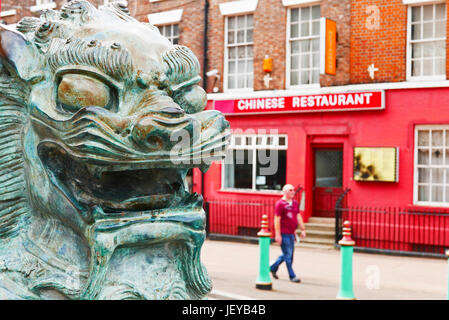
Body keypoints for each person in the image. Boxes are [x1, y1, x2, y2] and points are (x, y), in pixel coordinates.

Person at [270, 184, 306, 283]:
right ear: (285, 192)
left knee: (288, 255)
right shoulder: (280, 204)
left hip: (291, 233)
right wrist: (278, 234)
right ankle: (292, 275)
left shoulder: (294, 203)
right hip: (283, 233)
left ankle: (273, 267)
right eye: (290, 190)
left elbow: (298, 216)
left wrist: (303, 229)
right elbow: (277, 219)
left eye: (293, 190)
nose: (293, 192)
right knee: (288, 254)